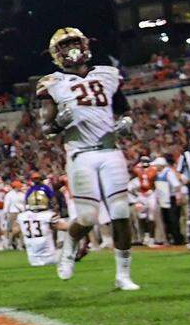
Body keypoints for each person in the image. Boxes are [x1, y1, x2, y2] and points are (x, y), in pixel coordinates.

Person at [36, 28, 139, 290]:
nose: (72, 48)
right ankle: (69, 247)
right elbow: (47, 131)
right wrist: (60, 121)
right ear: (56, 54)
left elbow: (124, 109)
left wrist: (126, 121)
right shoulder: (52, 82)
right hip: (81, 154)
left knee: (120, 212)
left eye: (74, 42)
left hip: (110, 149)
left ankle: (123, 274)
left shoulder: (108, 74)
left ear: (85, 45)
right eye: (65, 44)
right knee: (87, 218)